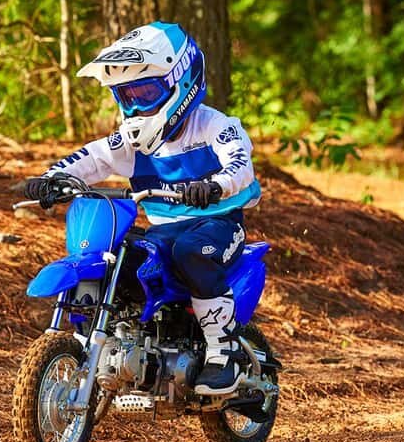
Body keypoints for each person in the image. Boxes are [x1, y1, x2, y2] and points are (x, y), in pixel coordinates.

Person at [24, 23, 262, 395]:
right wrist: (52, 178)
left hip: (217, 225)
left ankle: (223, 350)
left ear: (181, 81)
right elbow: (93, 157)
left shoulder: (214, 125)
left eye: (146, 92)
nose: (135, 106)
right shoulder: (132, 141)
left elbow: (240, 164)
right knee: (118, 256)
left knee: (191, 251)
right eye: (126, 95)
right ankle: (109, 341)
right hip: (163, 230)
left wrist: (215, 186)